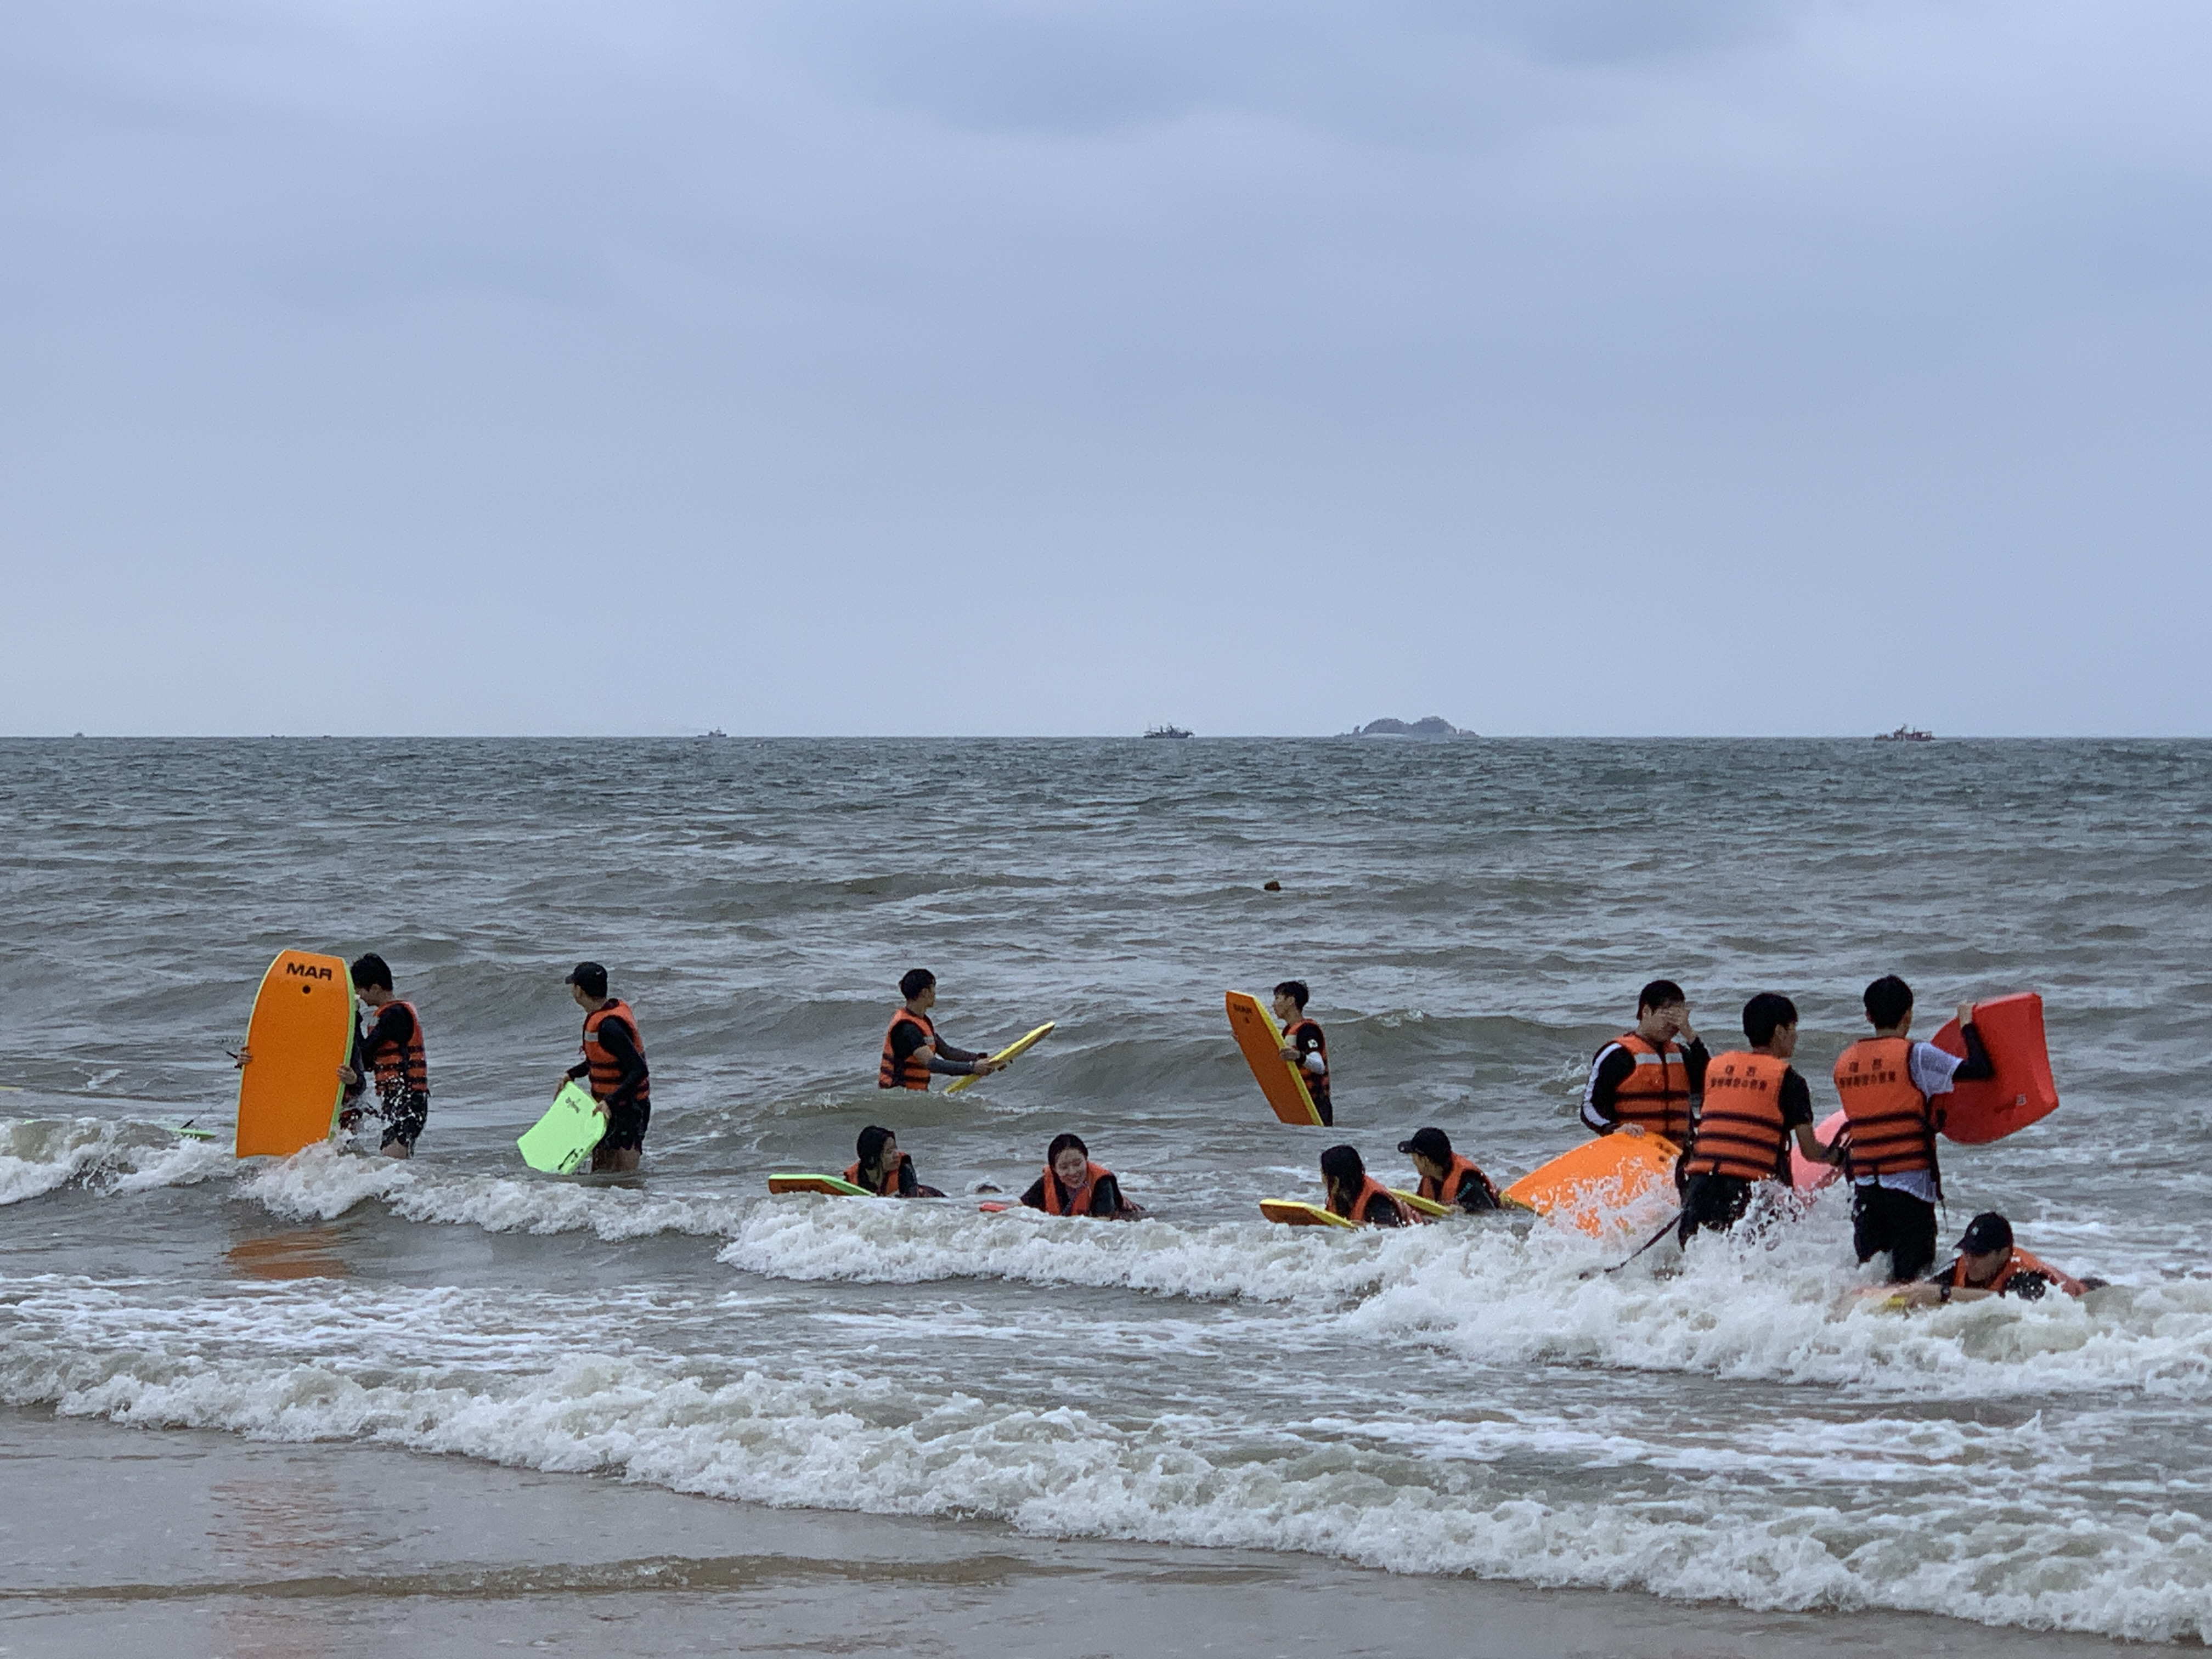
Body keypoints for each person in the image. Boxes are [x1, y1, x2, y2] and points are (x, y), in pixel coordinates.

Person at [1833, 975, 1993, 1282]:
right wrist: (1967, 1025)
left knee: (1872, 1282)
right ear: (1909, 1014)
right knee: (1912, 1284)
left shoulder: (1843, 1063)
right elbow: (1981, 1070)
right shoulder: (1916, 1055)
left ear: (1868, 1016)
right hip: (1909, 1191)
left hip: (1865, 1189)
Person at [1675, 993, 1834, 1243]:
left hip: (1699, 1186)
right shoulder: (1790, 1081)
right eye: (1794, 1028)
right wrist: (1843, 1158)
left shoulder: (1716, 1069)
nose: (1796, 1035)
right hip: (1747, 1193)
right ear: (1780, 1031)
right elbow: (1810, 1151)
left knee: (1696, 1263)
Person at [1582, 980, 1708, 1148]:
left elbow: (1710, 1086)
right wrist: (1612, 1129)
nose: (1674, 1025)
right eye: (1668, 1016)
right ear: (1646, 1011)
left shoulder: (1682, 1054)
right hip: (1634, 1152)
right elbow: (1589, 1107)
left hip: (1678, 1155)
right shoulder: (1617, 1054)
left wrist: (1691, 1036)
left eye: (1678, 1018)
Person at [1892, 1212, 2101, 1306]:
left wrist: (1944, 1294)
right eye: (1967, 1251)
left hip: (2094, 1295)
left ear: (2003, 1254)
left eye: (1980, 1254)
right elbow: (1918, 1290)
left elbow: (2016, 1306)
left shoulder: (2027, 1276)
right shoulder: (1961, 1265)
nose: (1970, 1260)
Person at [337, 953, 428, 1160]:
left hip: (407, 1099)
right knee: (391, 1161)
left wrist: (356, 1016)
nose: (358, 996)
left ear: (376, 988)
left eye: (359, 990)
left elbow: (364, 1052)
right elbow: (368, 1062)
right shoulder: (389, 1015)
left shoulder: (394, 1015)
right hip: (397, 1099)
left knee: (392, 1160)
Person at [561, 962, 650, 1173]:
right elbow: (603, 1061)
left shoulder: (609, 1027)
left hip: (630, 1109)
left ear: (579, 991)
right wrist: (572, 1074)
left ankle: (637, 1206)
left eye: (573, 985)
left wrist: (610, 1101)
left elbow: (639, 1069)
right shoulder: (600, 1018)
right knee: (600, 1172)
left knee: (625, 1177)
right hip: (607, 1108)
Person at [879, 969, 1006, 1091]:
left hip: (911, 1096)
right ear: (925, 992)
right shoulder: (907, 1028)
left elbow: (948, 1052)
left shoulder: (921, 1022)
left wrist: (981, 1059)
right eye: (933, 988)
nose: (935, 993)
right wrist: (973, 1068)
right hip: (898, 1096)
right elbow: (932, 1064)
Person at [1019, 1133, 1143, 1219]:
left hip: (1133, 1225)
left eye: (1078, 1164)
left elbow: (1101, 1226)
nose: (1073, 1172)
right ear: (1054, 1169)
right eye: (1064, 1167)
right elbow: (1019, 1207)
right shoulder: (1048, 1182)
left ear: (1086, 1159)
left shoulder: (1103, 1182)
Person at [1398, 1126, 1501, 1213]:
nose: (1413, 1161)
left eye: (1413, 1156)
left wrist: (1465, 1211)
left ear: (1425, 1160)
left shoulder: (1467, 1179)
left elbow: (1490, 1214)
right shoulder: (1430, 1177)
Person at [1273, 980, 1334, 1126]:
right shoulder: (1288, 1032)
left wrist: (1299, 1056)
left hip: (1317, 1104)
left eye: (1277, 998)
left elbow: (1319, 1066)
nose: (1273, 1005)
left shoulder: (1307, 1030)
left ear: (1291, 1001)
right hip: (1299, 1104)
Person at [1319, 1144, 1415, 1226]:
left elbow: (1394, 1232)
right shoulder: (1341, 1196)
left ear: (1336, 1181)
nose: (1322, 1179)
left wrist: (1366, 1228)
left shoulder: (1377, 1200)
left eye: (1323, 1173)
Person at [846, 1125, 945, 1198]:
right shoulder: (853, 1178)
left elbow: (912, 1206)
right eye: (889, 1152)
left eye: (895, 1149)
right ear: (872, 1158)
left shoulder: (904, 1169)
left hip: (936, 1203)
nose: (897, 1155)